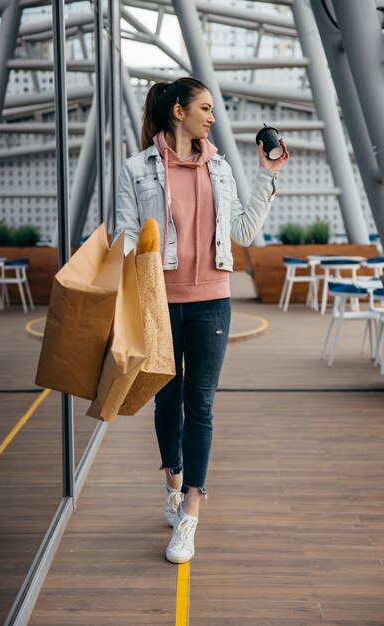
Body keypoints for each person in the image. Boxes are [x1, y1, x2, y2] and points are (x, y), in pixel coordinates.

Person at [114, 76, 290, 564]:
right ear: (179, 112)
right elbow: (127, 234)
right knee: (166, 401)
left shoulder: (222, 169)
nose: (212, 117)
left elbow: (244, 233)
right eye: (206, 108)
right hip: (159, 300)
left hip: (213, 299)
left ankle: (191, 506)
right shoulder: (137, 168)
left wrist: (267, 175)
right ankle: (172, 479)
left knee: (202, 404)